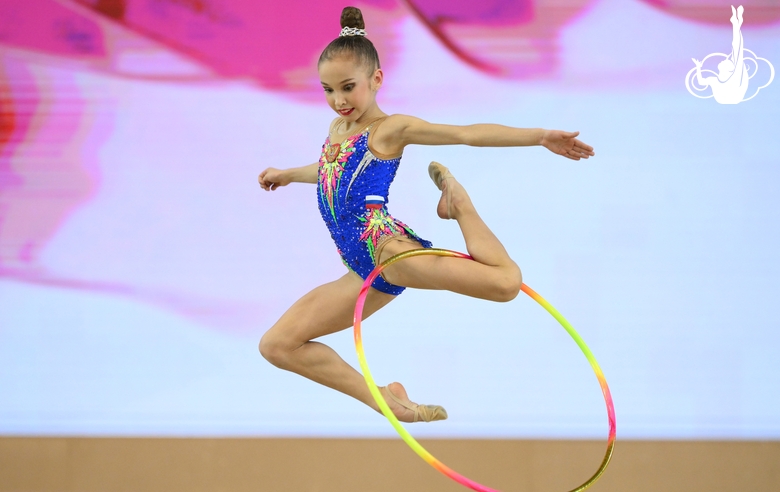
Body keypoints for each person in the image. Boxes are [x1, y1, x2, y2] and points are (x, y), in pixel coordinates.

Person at [257, 6, 594, 423]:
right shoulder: (337, 130)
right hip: (360, 267)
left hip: (387, 252)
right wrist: (287, 175)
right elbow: (330, 173)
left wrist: (539, 137)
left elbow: (466, 134)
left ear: (376, 80)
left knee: (506, 283)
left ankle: (461, 206)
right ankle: (389, 401)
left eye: (348, 87)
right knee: (278, 345)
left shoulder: (390, 128)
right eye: (328, 90)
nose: (339, 100)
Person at [692, 5, 748, 104]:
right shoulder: (715, 80)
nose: (725, 59)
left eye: (726, 61)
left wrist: (736, 26)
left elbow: (737, 47)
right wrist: (698, 67)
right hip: (727, 101)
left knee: (737, 50)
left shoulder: (734, 76)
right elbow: (701, 82)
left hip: (733, 100)